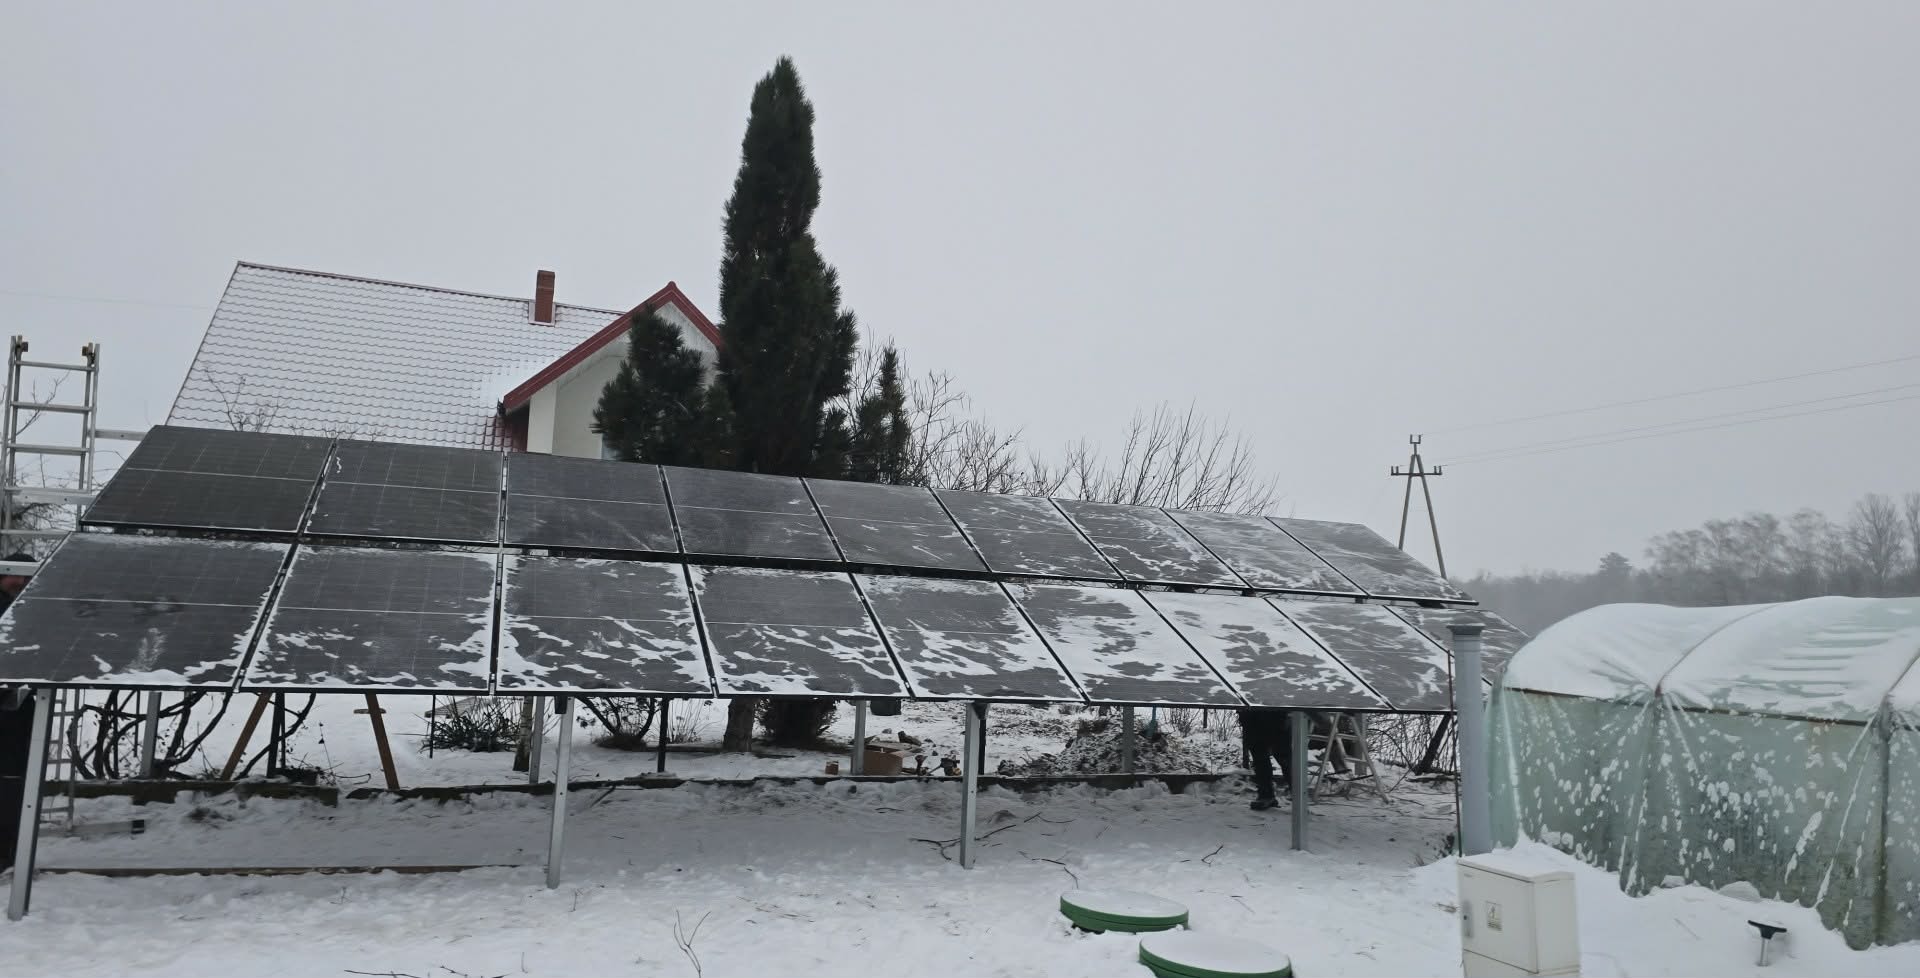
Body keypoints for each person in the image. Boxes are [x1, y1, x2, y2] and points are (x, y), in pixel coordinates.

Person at [1, 552, 36, 869]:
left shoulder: (34, 611)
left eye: (28, 578)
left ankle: (8, 854)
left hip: (18, 711)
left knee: (13, 785)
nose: (21, 583)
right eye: (15, 576)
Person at [1239, 709, 1296, 810]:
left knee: (1284, 757)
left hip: (1275, 714)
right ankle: (1266, 795)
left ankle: (1298, 795)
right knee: (1260, 758)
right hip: (1252, 715)